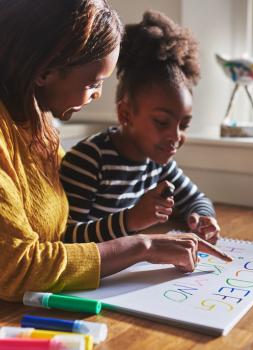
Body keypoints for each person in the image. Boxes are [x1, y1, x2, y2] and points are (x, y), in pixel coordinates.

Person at [0, 0, 231, 302]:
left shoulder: (38, 121)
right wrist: (143, 246)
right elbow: (16, 270)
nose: (97, 95)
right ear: (45, 72)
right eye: (93, 83)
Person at [60, 10, 221, 246]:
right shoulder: (88, 161)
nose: (175, 136)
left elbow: (197, 199)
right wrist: (130, 220)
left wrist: (202, 217)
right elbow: (67, 239)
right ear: (126, 114)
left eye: (183, 125)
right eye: (162, 122)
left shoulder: (158, 165)